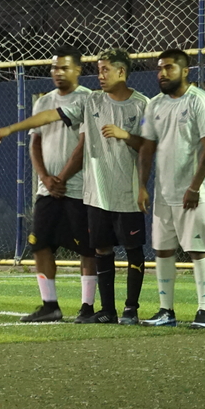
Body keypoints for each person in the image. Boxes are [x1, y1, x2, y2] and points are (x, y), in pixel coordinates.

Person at [0, 46, 97, 323]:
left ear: (78, 70)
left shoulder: (89, 99)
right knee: (40, 244)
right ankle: (50, 306)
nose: (57, 72)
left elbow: (85, 145)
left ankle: (87, 307)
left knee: (87, 248)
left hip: (79, 188)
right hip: (47, 190)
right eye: (54, 67)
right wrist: (46, 178)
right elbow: (35, 143)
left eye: (64, 67)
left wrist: (64, 176)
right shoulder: (43, 101)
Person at [137, 49, 205, 329]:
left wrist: (194, 187)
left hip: (194, 194)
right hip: (163, 193)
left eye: (169, 68)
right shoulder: (154, 105)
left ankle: (204, 311)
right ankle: (165, 311)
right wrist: (142, 186)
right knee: (162, 251)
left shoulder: (200, 102)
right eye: (160, 68)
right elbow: (147, 148)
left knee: (198, 250)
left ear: (185, 71)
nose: (162, 73)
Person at [73, 48, 149, 324]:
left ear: (122, 71)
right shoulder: (92, 101)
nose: (100, 75)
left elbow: (148, 147)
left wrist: (125, 135)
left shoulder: (142, 104)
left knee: (133, 249)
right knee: (101, 249)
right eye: (98, 70)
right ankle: (107, 311)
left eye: (105, 69)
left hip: (127, 192)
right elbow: (76, 132)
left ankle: (131, 309)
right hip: (97, 192)